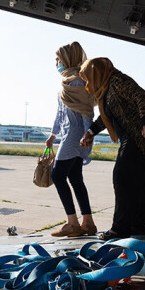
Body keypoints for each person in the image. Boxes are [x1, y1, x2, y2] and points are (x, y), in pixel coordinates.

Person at [79, 58, 145, 239]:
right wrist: (91, 131)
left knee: (122, 180)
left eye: (88, 78)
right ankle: (138, 226)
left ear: (98, 72)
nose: (88, 83)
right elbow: (106, 116)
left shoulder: (117, 81)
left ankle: (120, 228)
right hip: (130, 138)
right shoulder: (106, 89)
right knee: (135, 184)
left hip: (138, 138)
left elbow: (140, 96)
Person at [45, 42, 97, 238]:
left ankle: (72, 223)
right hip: (69, 134)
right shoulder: (67, 82)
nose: (57, 63)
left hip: (75, 135)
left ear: (69, 59)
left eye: (59, 59)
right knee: (75, 179)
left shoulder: (77, 82)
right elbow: (60, 113)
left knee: (58, 176)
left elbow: (86, 111)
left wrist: (87, 133)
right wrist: (53, 135)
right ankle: (88, 222)